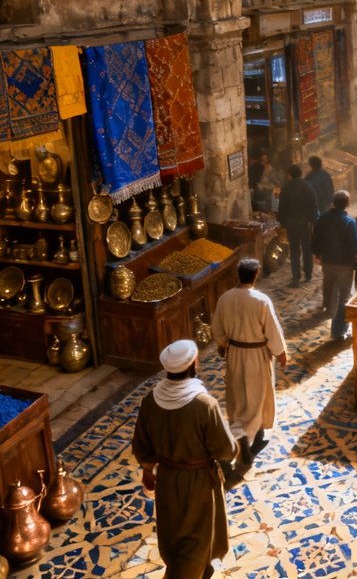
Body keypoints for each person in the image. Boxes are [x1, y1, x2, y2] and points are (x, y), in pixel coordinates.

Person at [131, 340, 238, 578]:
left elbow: (142, 446)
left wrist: (148, 471)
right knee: (195, 544)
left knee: (175, 537)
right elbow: (226, 449)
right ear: (194, 364)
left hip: (167, 481)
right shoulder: (204, 404)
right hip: (198, 483)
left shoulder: (151, 401)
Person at [212, 259, 288, 474]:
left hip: (235, 353)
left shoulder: (225, 298)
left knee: (238, 395)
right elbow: (272, 331)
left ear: (238, 274)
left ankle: (239, 432)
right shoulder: (261, 300)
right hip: (257, 355)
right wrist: (281, 353)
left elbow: (216, 328)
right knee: (257, 396)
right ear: (256, 273)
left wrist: (224, 345)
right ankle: (247, 437)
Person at [311, 189, 357, 340]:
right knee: (344, 296)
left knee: (330, 288)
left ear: (333, 202)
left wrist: (316, 254)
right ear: (347, 204)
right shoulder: (350, 222)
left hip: (327, 262)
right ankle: (339, 330)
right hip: (345, 264)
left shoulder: (322, 219)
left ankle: (328, 311)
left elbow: (315, 239)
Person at [276, 163, 318, 285]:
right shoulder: (308, 186)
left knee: (294, 250)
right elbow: (313, 206)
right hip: (306, 224)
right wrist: (313, 221)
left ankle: (296, 277)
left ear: (289, 175)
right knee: (307, 250)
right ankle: (308, 274)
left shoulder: (287, 188)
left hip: (292, 224)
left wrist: (283, 222)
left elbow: (282, 207)